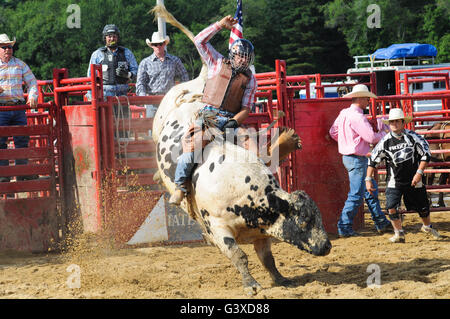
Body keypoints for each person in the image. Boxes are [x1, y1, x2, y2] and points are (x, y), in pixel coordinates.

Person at [168, 15, 257, 205]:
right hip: (209, 116)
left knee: (253, 145)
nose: (243, 60)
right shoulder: (216, 62)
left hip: (231, 119)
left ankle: (260, 186)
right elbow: (199, 40)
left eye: (246, 57)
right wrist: (219, 25)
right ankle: (181, 186)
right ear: (233, 54)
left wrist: (235, 122)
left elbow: (246, 108)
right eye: (241, 55)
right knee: (193, 146)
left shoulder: (250, 79)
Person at [366, 108, 441, 243]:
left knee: (423, 207)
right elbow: (373, 160)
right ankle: (399, 233)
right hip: (395, 181)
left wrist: (419, 173)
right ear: (389, 124)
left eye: (397, 121)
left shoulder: (413, 137)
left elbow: (426, 153)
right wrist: (368, 178)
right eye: (392, 121)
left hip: (414, 178)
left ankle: (427, 226)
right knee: (391, 207)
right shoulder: (385, 141)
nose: (394, 124)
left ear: (402, 122)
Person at [329, 84, 392, 237]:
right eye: (367, 98)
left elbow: (333, 132)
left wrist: (347, 141)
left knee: (369, 190)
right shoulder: (357, 116)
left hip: (350, 157)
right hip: (357, 158)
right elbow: (371, 138)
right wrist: (384, 133)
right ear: (361, 98)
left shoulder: (344, 113)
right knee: (357, 194)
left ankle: (380, 221)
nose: (368, 101)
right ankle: (344, 226)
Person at [0, 34, 38, 182]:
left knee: (21, 140)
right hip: (2, 109)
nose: (8, 49)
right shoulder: (19, 65)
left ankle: (21, 172)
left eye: (9, 47)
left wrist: (32, 95)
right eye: (4, 47)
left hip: (18, 107)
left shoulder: (20, 64)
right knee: (1, 142)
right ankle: (4, 175)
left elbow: (32, 82)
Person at [136, 31, 189, 129]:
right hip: (151, 100)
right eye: (155, 44)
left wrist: (182, 92)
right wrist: (144, 98)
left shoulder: (174, 60)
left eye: (160, 44)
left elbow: (184, 76)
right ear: (152, 46)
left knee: (170, 126)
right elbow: (140, 83)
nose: (158, 46)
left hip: (169, 99)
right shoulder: (145, 63)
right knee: (151, 127)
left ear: (164, 44)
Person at [87, 24, 138, 104]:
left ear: (117, 38)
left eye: (114, 36)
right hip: (104, 95)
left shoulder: (127, 53)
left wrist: (127, 74)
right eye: (109, 36)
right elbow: (90, 77)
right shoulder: (97, 54)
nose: (112, 39)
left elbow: (137, 72)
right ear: (105, 38)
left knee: (124, 116)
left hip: (123, 95)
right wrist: (91, 95)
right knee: (105, 117)